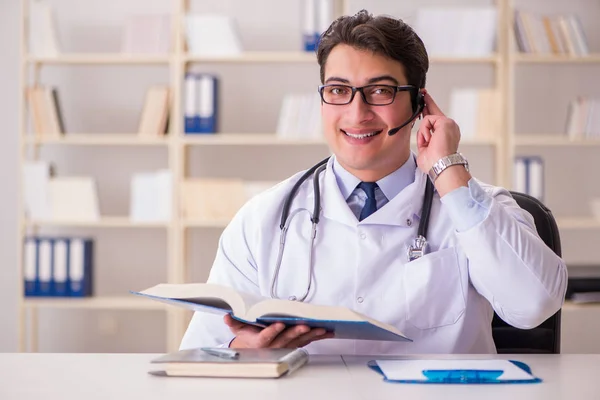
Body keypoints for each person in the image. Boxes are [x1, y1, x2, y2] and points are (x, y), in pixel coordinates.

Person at [179, 9, 567, 354]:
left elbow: (533, 306)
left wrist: (450, 173)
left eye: (380, 91)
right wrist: (239, 345)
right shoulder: (264, 217)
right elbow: (202, 347)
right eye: (338, 91)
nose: (356, 112)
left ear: (419, 104)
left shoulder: (475, 206)